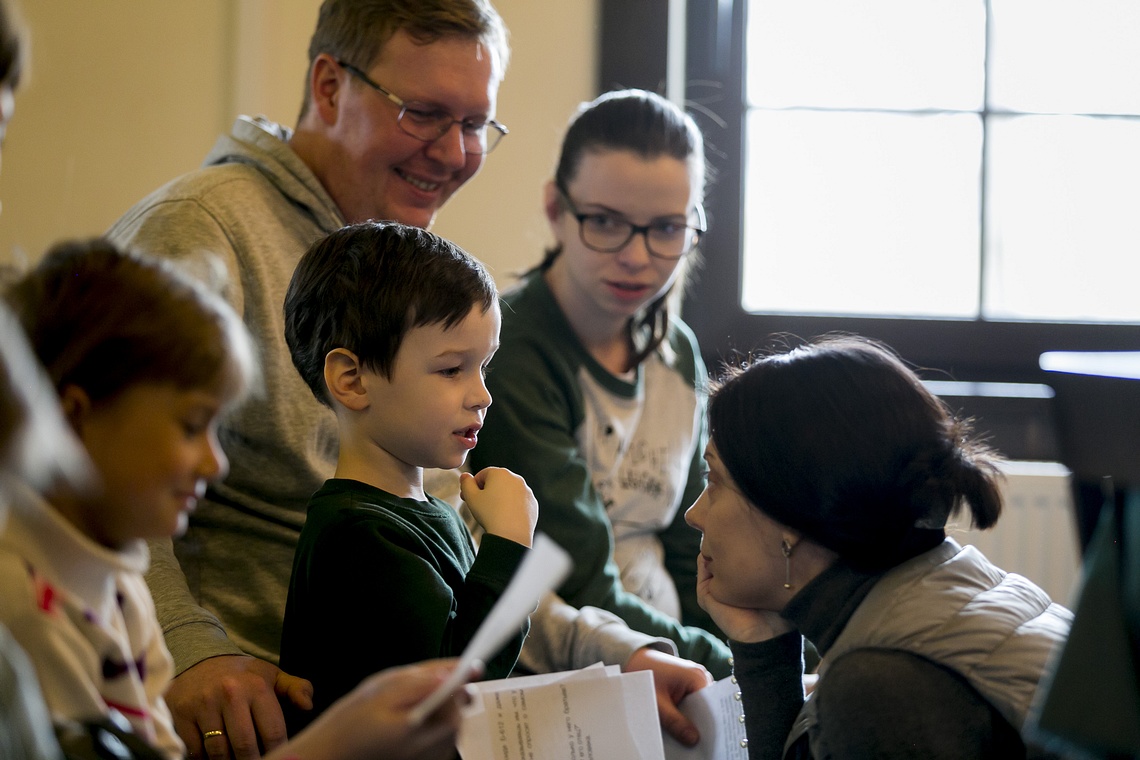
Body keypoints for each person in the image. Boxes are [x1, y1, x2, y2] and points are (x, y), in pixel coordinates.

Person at [106, 1, 717, 753]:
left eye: (475, 125)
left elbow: (458, 560)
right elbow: (87, 470)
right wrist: (187, 647)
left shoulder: (398, 263)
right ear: (329, 87)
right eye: (424, 113)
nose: (455, 152)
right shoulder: (201, 229)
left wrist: (618, 655)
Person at [2, 238, 478, 760]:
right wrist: (334, 745)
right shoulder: (27, 607)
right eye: (190, 426)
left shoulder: (117, 584)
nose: (215, 463)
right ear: (76, 421)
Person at [684, 335, 1074, 759]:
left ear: (788, 517)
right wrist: (764, 649)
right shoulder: (941, 591)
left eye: (714, 481)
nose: (695, 514)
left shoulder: (881, 685)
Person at [470, 88, 732, 677]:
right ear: (554, 209)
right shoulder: (509, 350)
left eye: (667, 228)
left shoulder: (678, 352)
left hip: (679, 662)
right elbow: (578, 574)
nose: (637, 257)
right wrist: (741, 665)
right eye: (607, 222)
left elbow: (701, 548)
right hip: (576, 665)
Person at [278, 221, 535, 730]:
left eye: (483, 367)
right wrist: (507, 545)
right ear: (352, 381)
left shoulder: (433, 514)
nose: (481, 395)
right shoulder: (357, 535)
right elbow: (447, 697)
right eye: (450, 370)